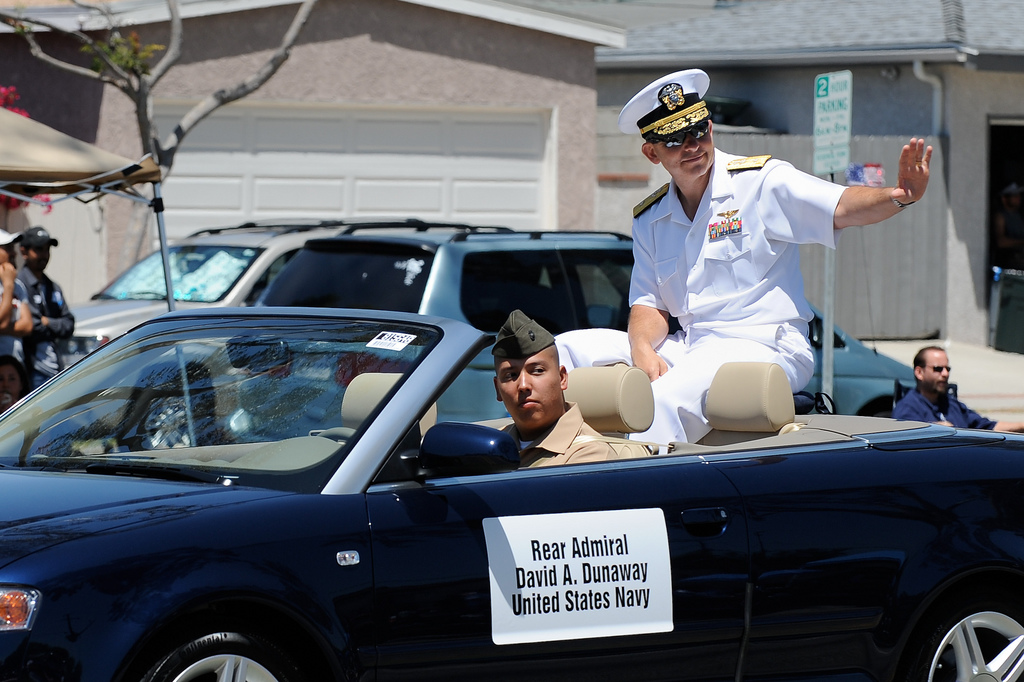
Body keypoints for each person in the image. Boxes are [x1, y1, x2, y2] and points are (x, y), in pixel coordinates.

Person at [556, 69, 933, 444]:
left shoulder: (760, 182)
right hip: (693, 344)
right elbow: (649, 304)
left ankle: (636, 478)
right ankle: (549, 460)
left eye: (699, 130)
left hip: (764, 343)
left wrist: (898, 195)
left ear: (711, 128)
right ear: (651, 152)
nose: (692, 145)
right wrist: (640, 347)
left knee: (661, 400)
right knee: (566, 350)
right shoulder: (650, 218)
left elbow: (841, 206)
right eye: (674, 138)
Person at [492, 309, 632, 467]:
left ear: (562, 378)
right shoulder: (490, 446)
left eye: (537, 371)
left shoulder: (591, 456)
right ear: (497, 389)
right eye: (511, 375)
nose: (523, 385)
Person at [892, 346, 1024, 432]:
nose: (945, 374)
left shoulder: (951, 404)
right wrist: (936, 428)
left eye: (947, 369)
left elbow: (988, 427)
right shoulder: (907, 408)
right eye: (938, 369)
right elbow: (906, 436)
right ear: (919, 372)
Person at [17, 226, 75, 390]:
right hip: (31, 370)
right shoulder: (19, 285)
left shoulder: (53, 287)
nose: (44, 255)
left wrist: (47, 321)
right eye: (38, 249)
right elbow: (32, 326)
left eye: (47, 249)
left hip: (55, 369)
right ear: (24, 252)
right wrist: (52, 324)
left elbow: (69, 324)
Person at [0, 230, 31, 366]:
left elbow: (27, 326)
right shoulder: (11, 284)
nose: (14, 253)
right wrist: (7, 286)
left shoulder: (17, 285)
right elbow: (2, 323)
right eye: (7, 248)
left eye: (12, 248)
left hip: (16, 366)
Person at [993, 182, 1024, 270]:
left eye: (1019, 195)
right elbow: (1001, 242)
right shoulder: (1000, 216)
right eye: (1015, 196)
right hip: (1009, 265)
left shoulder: (1018, 216)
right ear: (1004, 198)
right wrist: (1021, 242)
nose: (1018, 198)